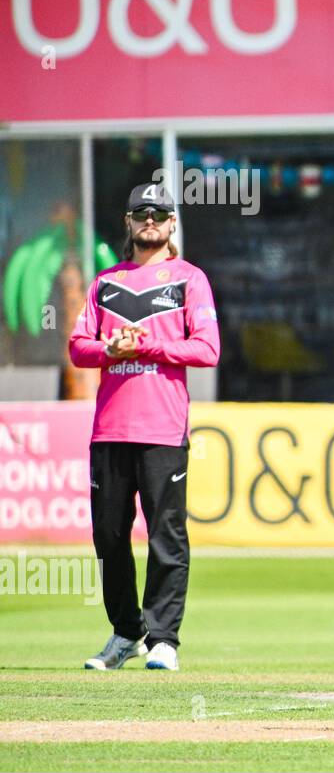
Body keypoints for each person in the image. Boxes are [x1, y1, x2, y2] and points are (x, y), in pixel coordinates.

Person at [68, 184, 221, 671]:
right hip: (110, 430)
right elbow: (77, 346)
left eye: (159, 213)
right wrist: (110, 350)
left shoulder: (190, 281)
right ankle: (125, 633)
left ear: (172, 223)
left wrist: (149, 347)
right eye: (141, 213)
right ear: (128, 222)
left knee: (165, 536)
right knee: (109, 537)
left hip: (162, 429)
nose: (149, 220)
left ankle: (164, 640)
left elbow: (207, 349)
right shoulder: (105, 282)